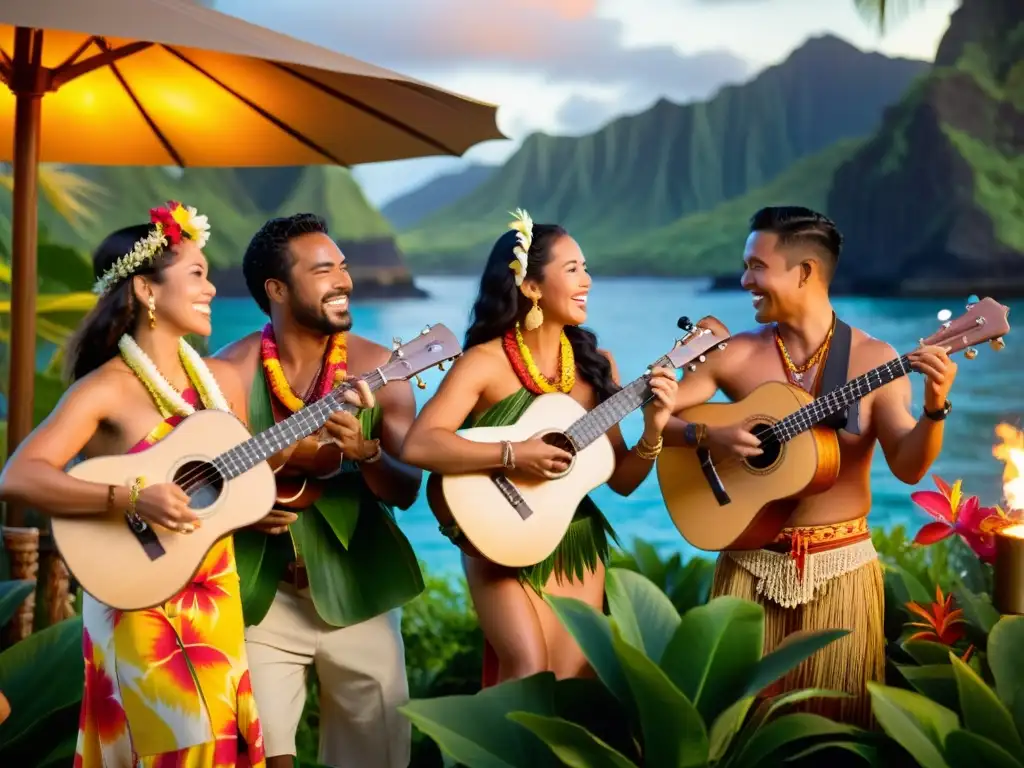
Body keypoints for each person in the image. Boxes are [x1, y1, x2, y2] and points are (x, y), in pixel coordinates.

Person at [0, 203, 275, 766]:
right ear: (148, 291)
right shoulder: (105, 389)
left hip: (212, 592)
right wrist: (128, 495)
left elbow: (234, 477)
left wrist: (257, 504)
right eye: (197, 274)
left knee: (219, 740)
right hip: (135, 595)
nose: (212, 288)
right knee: (167, 747)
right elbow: (18, 475)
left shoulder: (221, 380)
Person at [665, 206, 957, 726]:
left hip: (839, 571)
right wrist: (709, 434)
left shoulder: (875, 359)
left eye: (757, 266)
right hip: (748, 566)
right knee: (743, 735)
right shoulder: (733, 355)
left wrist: (935, 407)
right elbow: (659, 418)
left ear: (804, 272)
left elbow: (909, 467)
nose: (744, 280)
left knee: (832, 732)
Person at [399, 210, 679, 685]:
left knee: (573, 684)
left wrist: (654, 428)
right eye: (572, 269)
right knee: (527, 669)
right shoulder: (482, 363)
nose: (586, 279)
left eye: (586, 267)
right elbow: (420, 445)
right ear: (531, 287)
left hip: (573, 540)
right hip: (498, 537)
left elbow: (623, 481)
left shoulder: (595, 366)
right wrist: (513, 454)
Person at [213, 213, 422, 768]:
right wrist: (244, 510)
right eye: (324, 269)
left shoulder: (383, 368)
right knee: (258, 756)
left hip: (360, 599)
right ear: (277, 289)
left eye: (344, 266)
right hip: (263, 598)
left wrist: (366, 454)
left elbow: (407, 489)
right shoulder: (228, 371)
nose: (345, 280)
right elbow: (200, 478)